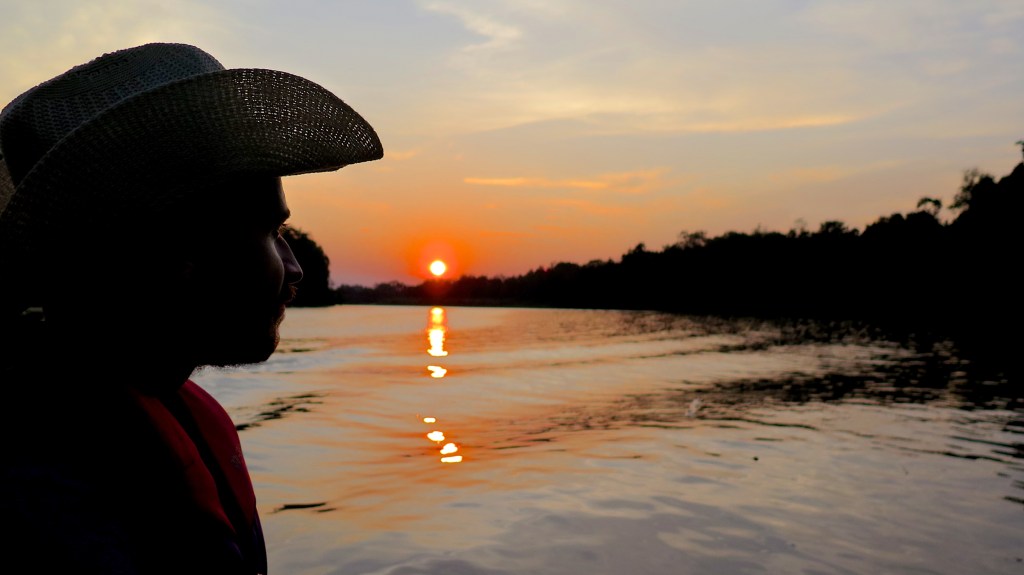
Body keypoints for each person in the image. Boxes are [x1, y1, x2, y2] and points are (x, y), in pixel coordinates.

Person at [0, 43, 382, 574]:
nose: (294, 270)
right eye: (272, 233)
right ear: (180, 253)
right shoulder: (41, 494)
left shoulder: (95, 417)